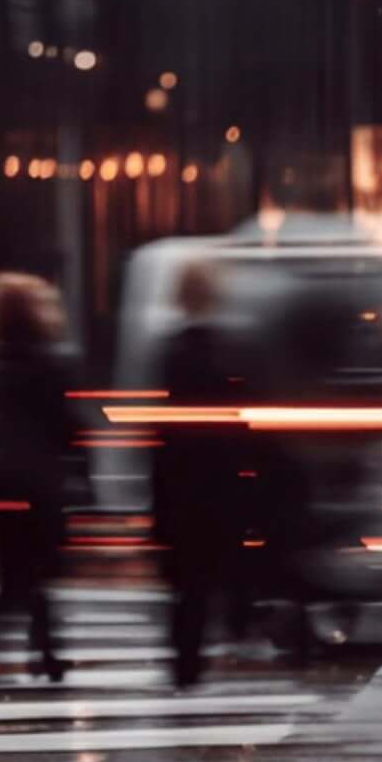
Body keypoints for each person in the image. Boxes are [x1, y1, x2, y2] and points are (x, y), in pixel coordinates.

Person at [149, 259, 253, 686]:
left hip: (180, 477)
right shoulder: (230, 351)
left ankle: (185, 658)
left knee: (187, 578)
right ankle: (230, 630)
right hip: (219, 477)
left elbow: (162, 426)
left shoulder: (170, 352)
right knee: (216, 568)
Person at [0, 274, 80, 682]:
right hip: (41, 480)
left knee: (13, 573)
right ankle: (44, 652)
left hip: (7, 481)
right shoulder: (50, 362)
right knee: (38, 571)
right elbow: (66, 424)